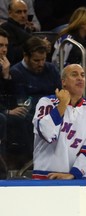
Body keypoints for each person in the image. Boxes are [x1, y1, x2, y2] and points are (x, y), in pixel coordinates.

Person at [32, 64, 86, 180]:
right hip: (45, 176)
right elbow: (47, 134)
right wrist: (62, 105)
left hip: (75, 179)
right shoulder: (46, 102)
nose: (80, 78)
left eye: (83, 75)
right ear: (63, 82)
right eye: (74, 75)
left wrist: (73, 174)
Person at [0, 27, 34, 169]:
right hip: (2, 114)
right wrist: (7, 111)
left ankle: (26, 165)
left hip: (4, 111)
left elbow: (8, 96)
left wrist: (6, 76)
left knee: (28, 117)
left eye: (6, 46)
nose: (4, 49)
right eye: (0, 45)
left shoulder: (5, 66)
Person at [10, 36, 61, 115]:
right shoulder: (16, 72)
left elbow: (61, 94)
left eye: (43, 59)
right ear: (26, 56)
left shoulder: (51, 68)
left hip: (54, 112)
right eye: (36, 60)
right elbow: (24, 104)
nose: (41, 64)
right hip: (31, 115)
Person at [0, 0, 35, 65]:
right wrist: (34, 44)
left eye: (25, 11)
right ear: (10, 13)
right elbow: (12, 54)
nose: (23, 15)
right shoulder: (6, 27)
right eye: (19, 12)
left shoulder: (27, 29)